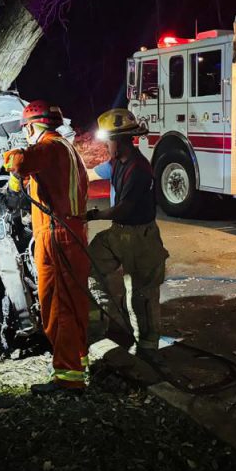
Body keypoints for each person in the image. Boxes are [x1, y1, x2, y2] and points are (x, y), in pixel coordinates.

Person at [3, 101, 90, 395]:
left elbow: (19, 160)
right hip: (71, 232)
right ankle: (77, 363)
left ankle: (68, 379)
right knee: (74, 302)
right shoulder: (65, 148)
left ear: (30, 127)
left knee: (57, 304)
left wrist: (13, 168)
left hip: (55, 235)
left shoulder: (48, 146)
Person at [85, 108, 169, 365]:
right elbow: (88, 174)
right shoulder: (116, 163)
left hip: (140, 237)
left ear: (120, 141)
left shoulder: (139, 168)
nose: (106, 146)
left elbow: (124, 209)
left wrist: (92, 215)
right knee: (88, 268)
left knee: (142, 293)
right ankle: (104, 326)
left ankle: (148, 348)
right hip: (120, 233)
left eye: (108, 141)